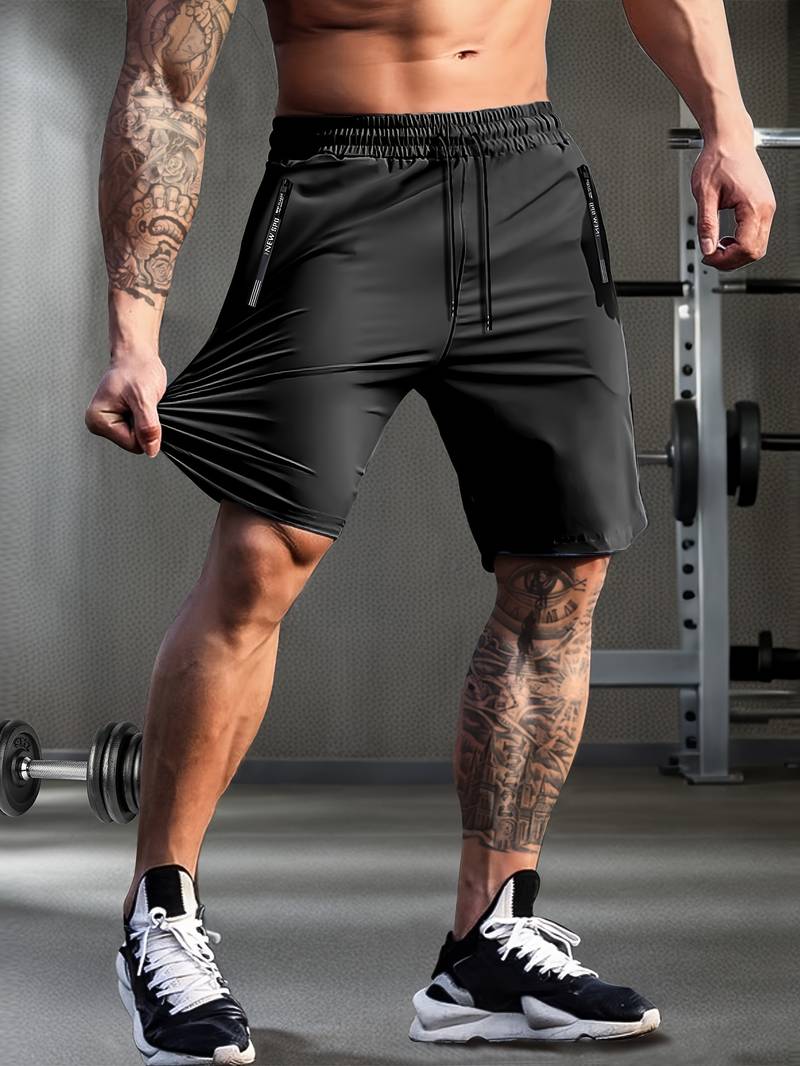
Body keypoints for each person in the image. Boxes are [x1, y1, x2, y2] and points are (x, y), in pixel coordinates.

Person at [86, 0, 775, 1061]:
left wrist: (727, 121)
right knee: (263, 558)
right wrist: (134, 332)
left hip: (528, 183)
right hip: (340, 186)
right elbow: (165, 76)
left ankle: (486, 941)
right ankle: (160, 914)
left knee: (561, 568)